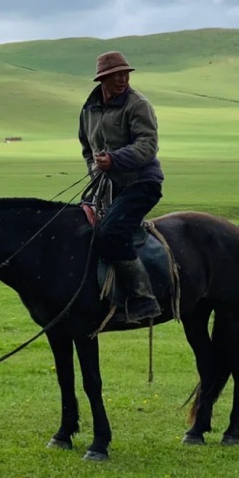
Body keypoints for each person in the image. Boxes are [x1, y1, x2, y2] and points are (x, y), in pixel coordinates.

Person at [78, 51, 163, 323]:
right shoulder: (89, 110)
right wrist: (96, 168)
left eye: (126, 74)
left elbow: (147, 146)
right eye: (117, 75)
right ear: (102, 78)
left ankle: (143, 299)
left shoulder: (138, 105)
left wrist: (114, 160)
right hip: (106, 186)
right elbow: (87, 149)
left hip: (141, 183)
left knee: (112, 232)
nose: (123, 79)